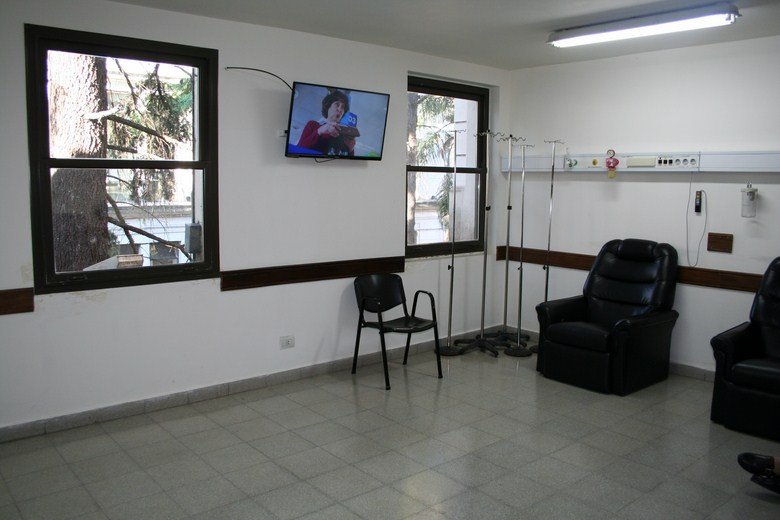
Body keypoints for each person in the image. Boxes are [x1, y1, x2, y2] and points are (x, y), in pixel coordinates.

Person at [297, 89, 358, 156]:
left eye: (343, 107)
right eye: (337, 104)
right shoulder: (313, 125)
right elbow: (298, 150)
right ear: (328, 106)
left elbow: (347, 160)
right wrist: (319, 131)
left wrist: (350, 150)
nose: (340, 109)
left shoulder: (343, 135)